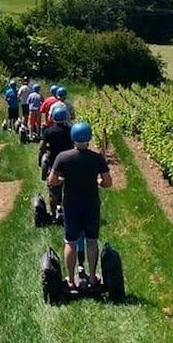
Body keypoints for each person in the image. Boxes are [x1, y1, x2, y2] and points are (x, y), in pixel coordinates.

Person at [49, 121, 112, 289]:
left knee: (70, 241)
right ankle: (92, 278)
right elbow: (108, 182)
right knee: (91, 241)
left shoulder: (63, 157)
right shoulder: (97, 158)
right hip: (91, 204)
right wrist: (98, 181)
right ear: (89, 138)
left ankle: (71, 280)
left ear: (73, 138)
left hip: (71, 204)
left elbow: (52, 181)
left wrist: (62, 179)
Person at [39, 104, 73, 218]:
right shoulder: (71, 130)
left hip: (54, 163)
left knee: (53, 189)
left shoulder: (48, 131)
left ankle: (53, 214)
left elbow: (42, 147)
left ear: (53, 118)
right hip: (69, 162)